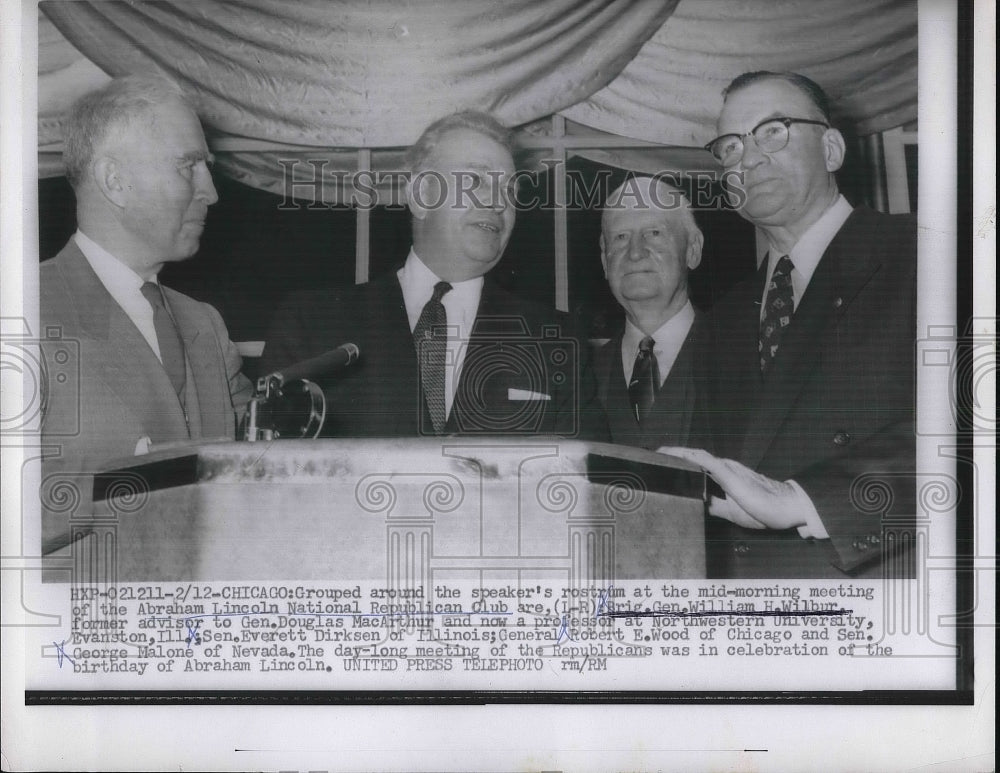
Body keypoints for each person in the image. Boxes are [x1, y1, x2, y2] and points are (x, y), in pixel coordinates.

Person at [664, 71, 917, 579]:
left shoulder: (930, 254)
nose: (749, 158)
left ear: (831, 150)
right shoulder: (719, 323)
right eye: (730, 146)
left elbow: (975, 433)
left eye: (772, 131)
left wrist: (804, 499)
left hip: (882, 607)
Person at [263, 111, 607, 439]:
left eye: (509, 190)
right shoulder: (311, 323)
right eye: (475, 179)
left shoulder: (558, 341)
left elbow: (589, 486)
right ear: (421, 195)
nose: (498, 202)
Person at [40, 75, 252, 552]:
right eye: (189, 167)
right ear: (115, 181)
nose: (211, 192)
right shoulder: (21, 312)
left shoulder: (205, 325)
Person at [593, 176, 708, 450]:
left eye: (654, 233)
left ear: (692, 250)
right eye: (620, 237)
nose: (635, 253)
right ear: (604, 261)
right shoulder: (582, 373)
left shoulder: (744, 358)